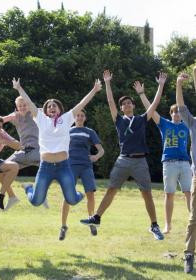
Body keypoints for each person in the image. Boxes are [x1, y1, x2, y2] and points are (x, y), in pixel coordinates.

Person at [80, 70, 167, 241]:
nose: (127, 105)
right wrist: (107, 83)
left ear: (133, 106)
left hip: (140, 160)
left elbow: (155, 104)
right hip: (123, 159)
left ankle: (154, 225)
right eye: (124, 104)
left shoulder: (142, 119)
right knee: (111, 189)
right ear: (121, 108)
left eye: (129, 103)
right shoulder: (119, 120)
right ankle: (96, 218)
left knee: (147, 193)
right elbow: (110, 101)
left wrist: (161, 85)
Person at [12, 77, 102, 207]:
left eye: (54, 106)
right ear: (46, 111)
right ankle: (29, 188)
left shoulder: (66, 119)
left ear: (59, 109)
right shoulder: (40, 119)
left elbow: (81, 104)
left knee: (72, 200)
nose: (52, 107)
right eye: (49, 106)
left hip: (63, 166)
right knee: (36, 201)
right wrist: (19, 88)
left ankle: (79, 195)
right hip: (45, 167)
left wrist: (94, 90)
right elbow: (29, 102)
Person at [134, 81, 191, 234]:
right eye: (174, 112)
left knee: (189, 193)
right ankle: (168, 225)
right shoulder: (164, 124)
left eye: (179, 112)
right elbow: (151, 111)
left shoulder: (187, 125)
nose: (176, 114)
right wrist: (141, 94)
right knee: (169, 194)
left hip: (185, 163)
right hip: (169, 163)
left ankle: (193, 222)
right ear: (171, 114)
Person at [59, 109, 104, 240]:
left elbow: (101, 150)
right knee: (67, 195)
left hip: (86, 166)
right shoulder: (67, 131)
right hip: (70, 166)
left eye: (82, 116)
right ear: (74, 118)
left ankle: (91, 221)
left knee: (90, 194)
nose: (79, 118)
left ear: (85, 118)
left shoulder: (90, 132)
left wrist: (96, 156)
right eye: (77, 116)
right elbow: (60, 147)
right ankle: (63, 226)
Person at [176, 68, 196, 273]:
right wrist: (179, 84)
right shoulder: (193, 123)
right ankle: (189, 254)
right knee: (194, 217)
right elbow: (181, 108)